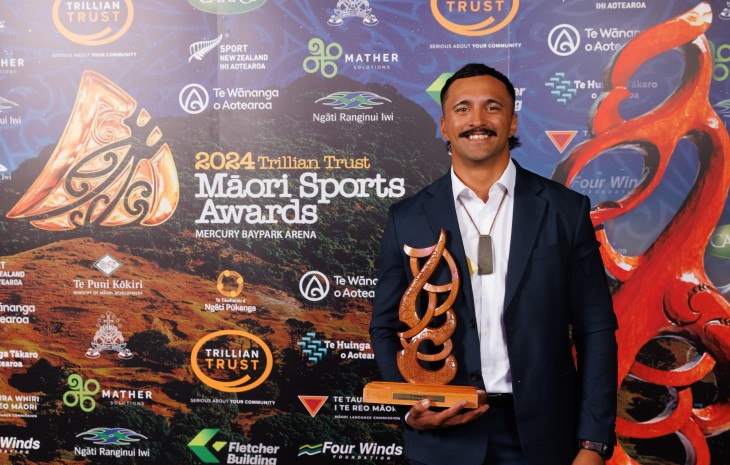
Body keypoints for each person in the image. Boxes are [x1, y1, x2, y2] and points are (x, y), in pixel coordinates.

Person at [369, 63, 618, 465]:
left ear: (513, 122)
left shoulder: (564, 210)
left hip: (543, 437)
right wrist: (409, 406)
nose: (477, 120)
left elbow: (596, 331)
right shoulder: (407, 217)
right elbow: (385, 326)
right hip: (442, 436)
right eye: (462, 109)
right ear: (445, 126)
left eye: (492, 107)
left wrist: (593, 443)